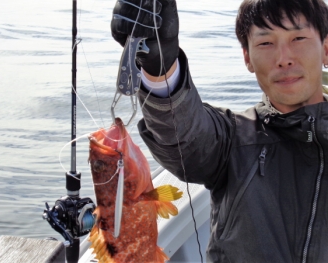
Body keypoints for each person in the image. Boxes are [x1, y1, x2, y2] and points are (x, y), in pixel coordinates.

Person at [111, 0, 328, 262]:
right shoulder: (231, 138)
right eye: (265, 43)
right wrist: (160, 71)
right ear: (247, 57)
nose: (284, 59)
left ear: (326, 49)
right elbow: (186, 137)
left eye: (299, 38)